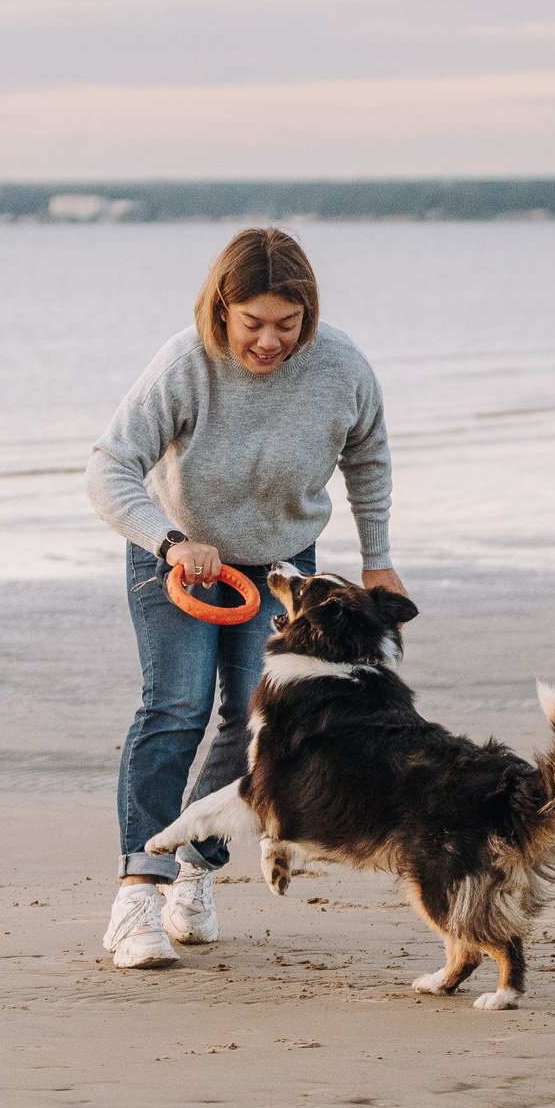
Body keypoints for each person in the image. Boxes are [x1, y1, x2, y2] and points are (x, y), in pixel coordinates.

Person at [83, 227, 403, 970]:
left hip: (282, 563)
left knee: (254, 723)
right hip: (180, 562)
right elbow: (108, 468)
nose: (269, 341)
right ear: (222, 309)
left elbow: (369, 455)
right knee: (177, 707)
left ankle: (193, 868)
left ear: (308, 314)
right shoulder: (185, 365)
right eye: (253, 323)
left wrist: (379, 561)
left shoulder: (341, 366)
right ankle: (137, 891)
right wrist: (169, 541)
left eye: (286, 325)